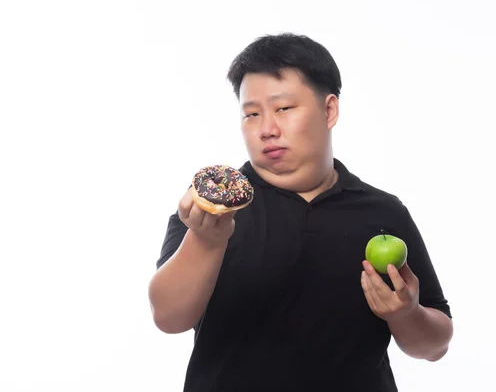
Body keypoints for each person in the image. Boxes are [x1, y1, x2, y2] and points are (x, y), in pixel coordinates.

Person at [148, 33, 453, 392]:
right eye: (251, 114)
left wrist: (406, 313)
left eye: (283, 109)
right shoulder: (211, 211)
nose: (266, 129)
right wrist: (207, 240)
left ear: (329, 110)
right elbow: (168, 318)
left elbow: (435, 346)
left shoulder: (383, 212)